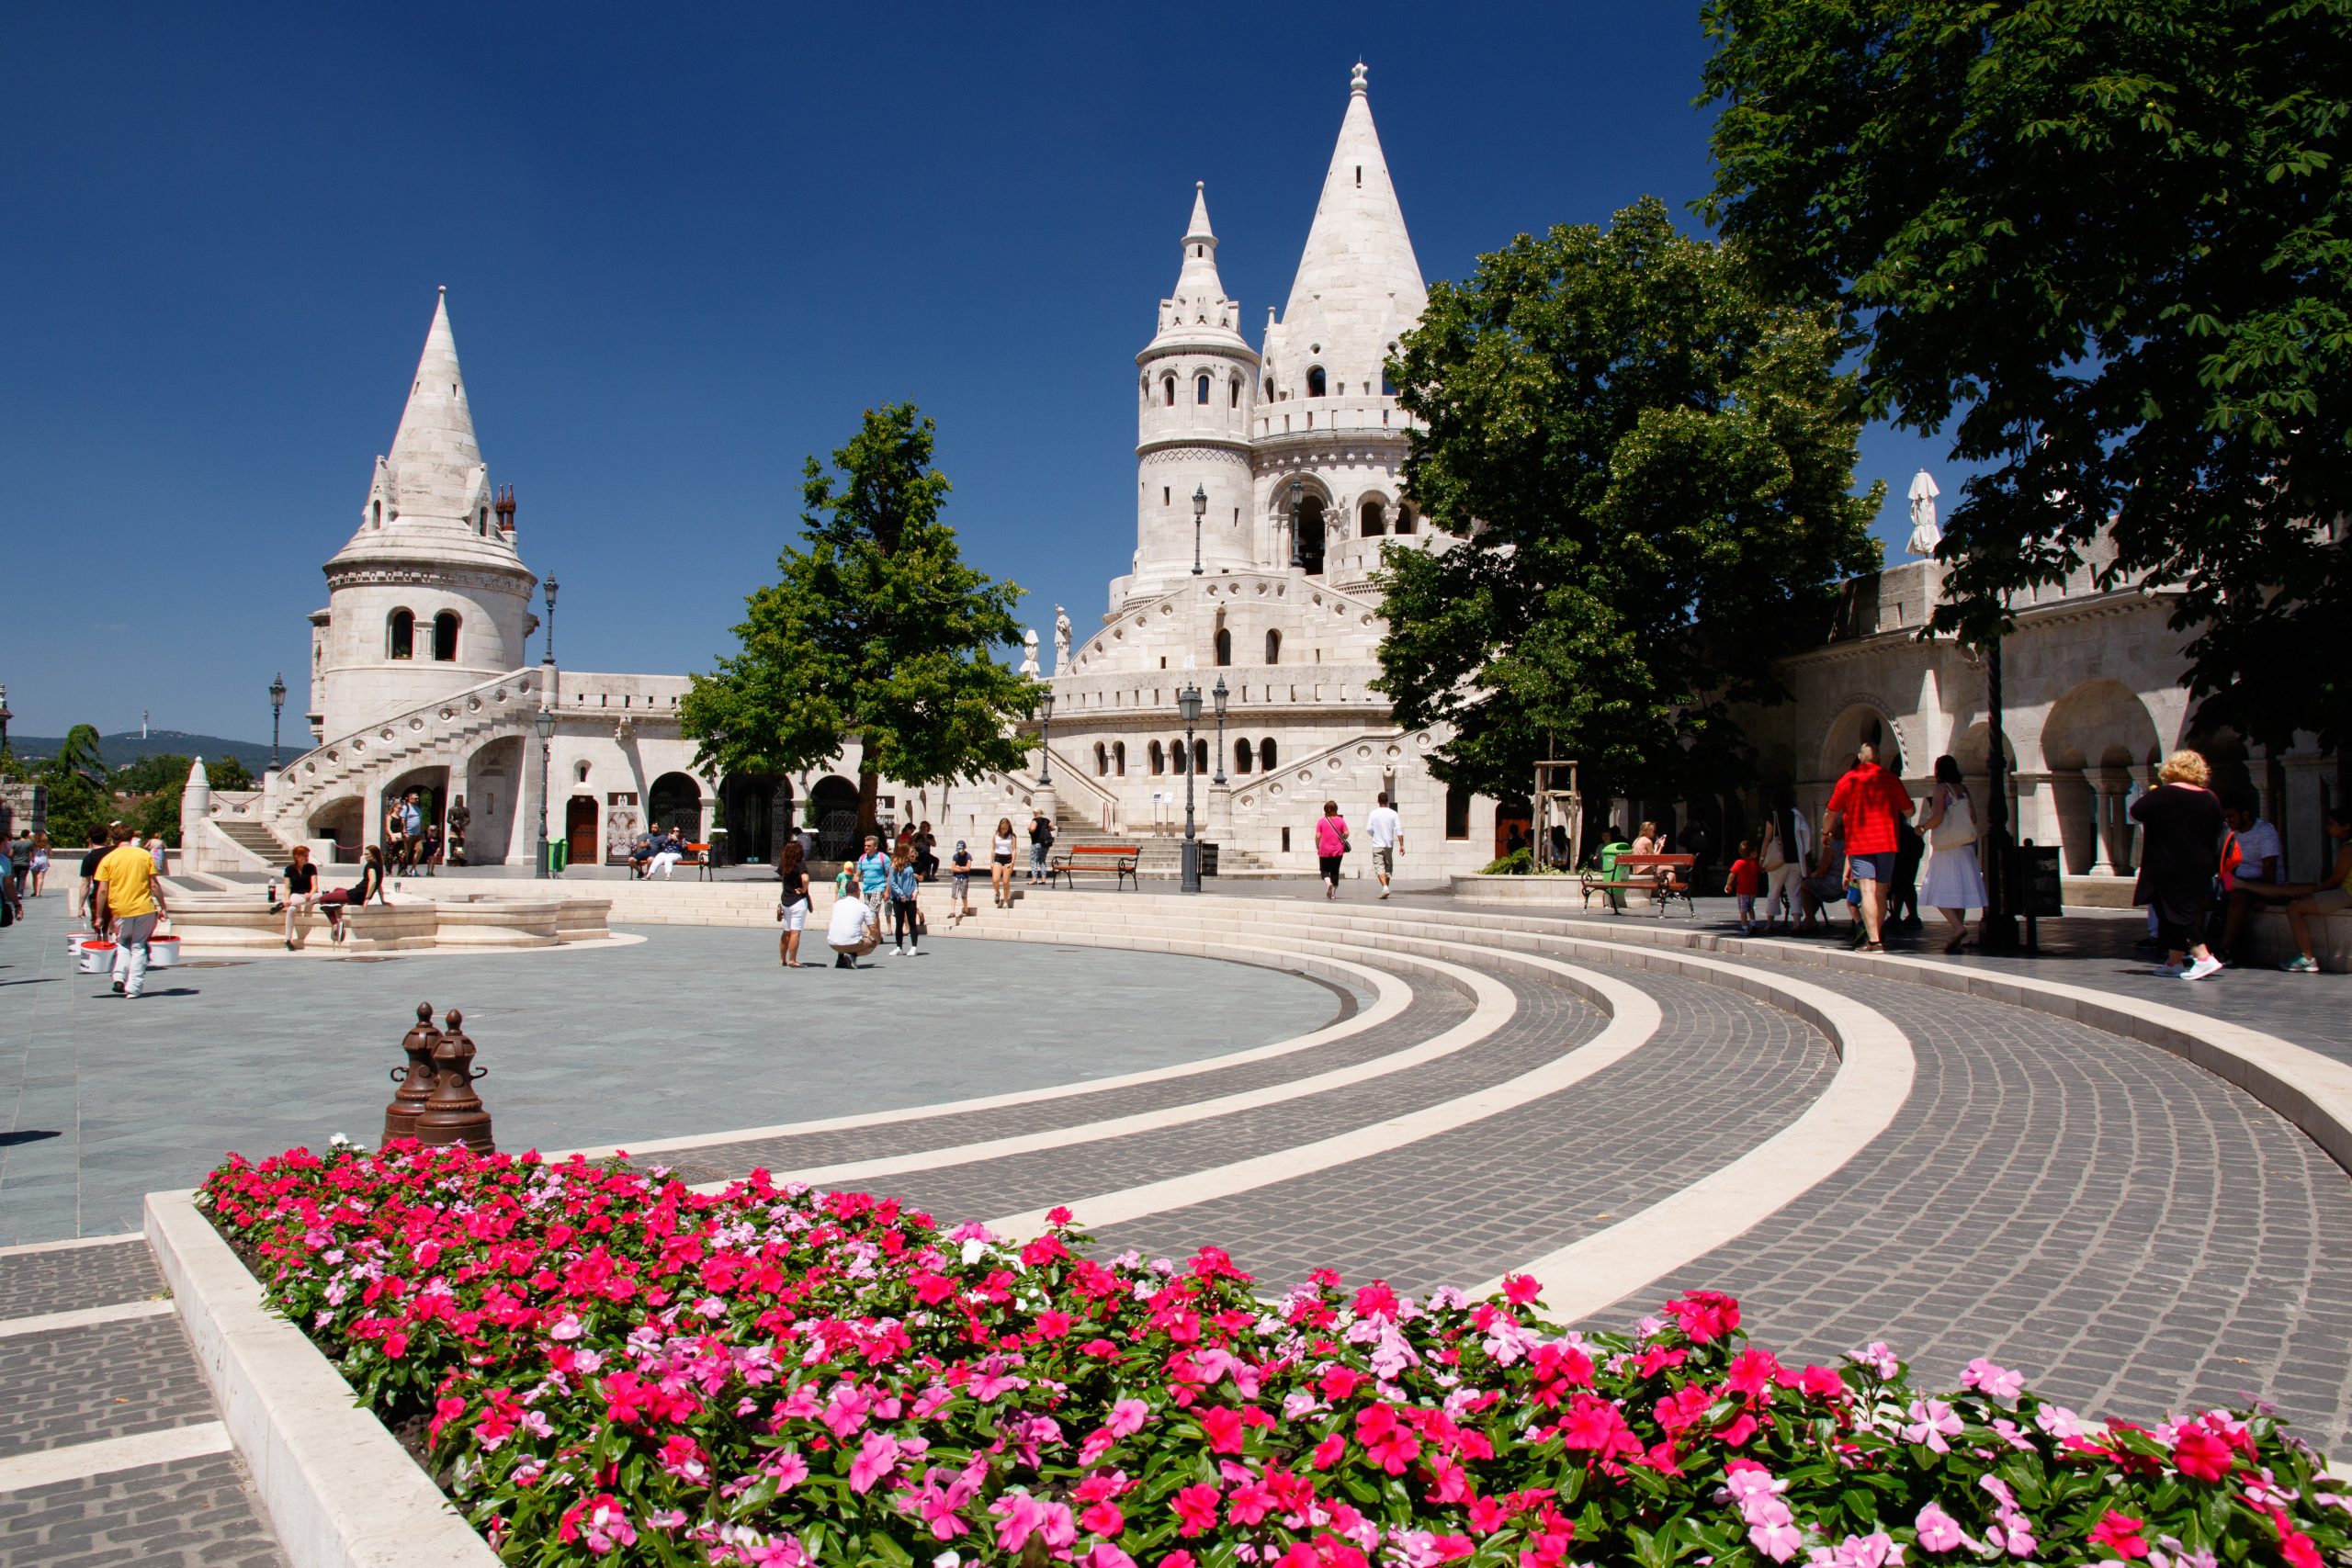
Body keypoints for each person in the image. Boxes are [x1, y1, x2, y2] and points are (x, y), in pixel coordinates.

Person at [2128, 749, 2225, 980]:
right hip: (2200, 864)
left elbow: (2136, 813)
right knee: (2173, 910)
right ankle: (2174, 961)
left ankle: (2203, 957)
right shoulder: (2210, 797)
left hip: (2168, 864)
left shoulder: (2162, 794)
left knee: (2176, 913)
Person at [1823, 743, 1913, 952]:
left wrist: (1825, 832)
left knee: (1867, 890)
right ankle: (1878, 936)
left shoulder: (1849, 779)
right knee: (1881, 891)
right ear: (1879, 758)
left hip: (1860, 844)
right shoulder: (1890, 779)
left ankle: (1874, 940)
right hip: (1887, 843)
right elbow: (1908, 811)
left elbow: (1830, 812)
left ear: (1860, 757)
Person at [1915, 755, 1989, 953]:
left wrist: (1922, 827)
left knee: (1935, 888)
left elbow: (1937, 817)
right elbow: (1973, 817)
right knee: (1960, 891)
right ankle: (1957, 932)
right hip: (1965, 846)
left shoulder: (1941, 789)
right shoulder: (1963, 789)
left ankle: (1957, 927)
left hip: (1947, 847)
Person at [92, 823, 168, 998]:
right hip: (144, 908)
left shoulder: (109, 859)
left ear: (114, 839)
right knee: (139, 946)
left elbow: (102, 890)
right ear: (131, 837)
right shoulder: (143, 855)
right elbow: (154, 885)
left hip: (120, 909)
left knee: (123, 943)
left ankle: (119, 976)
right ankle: (133, 987)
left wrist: (100, 917)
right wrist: (163, 907)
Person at [2273, 806, 2352, 974]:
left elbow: (2335, 880)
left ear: (2346, 826)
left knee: (2294, 908)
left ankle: (2306, 958)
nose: (2328, 828)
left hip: (2347, 894)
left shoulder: (2349, 848)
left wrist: (2313, 892)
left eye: (2332, 824)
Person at [2217, 790, 2285, 964]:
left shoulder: (2265, 831)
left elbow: (2269, 865)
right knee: (2203, 898)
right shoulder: (2232, 832)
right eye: (2226, 817)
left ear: (2245, 814)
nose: (2229, 821)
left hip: (2259, 882)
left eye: (2232, 816)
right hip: (2237, 880)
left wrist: (2266, 896)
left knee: (2237, 898)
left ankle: (2224, 950)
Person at [320, 843, 389, 944]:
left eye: (367, 854)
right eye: (364, 854)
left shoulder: (370, 865)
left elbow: (373, 881)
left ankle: (335, 925)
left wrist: (367, 899)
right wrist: (383, 900)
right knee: (337, 889)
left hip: (356, 895)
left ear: (374, 854)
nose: (365, 857)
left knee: (323, 899)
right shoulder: (379, 865)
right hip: (357, 894)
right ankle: (338, 905)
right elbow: (379, 884)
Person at [1758, 804, 1804, 933]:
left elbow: (1768, 838)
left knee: (1773, 891)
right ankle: (1797, 923)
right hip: (1795, 858)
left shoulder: (1773, 816)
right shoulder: (1796, 815)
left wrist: (1762, 859)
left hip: (1778, 860)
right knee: (1794, 893)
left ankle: (1770, 923)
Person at [1798, 822, 1849, 935]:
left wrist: (1811, 875)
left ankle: (1810, 918)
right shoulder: (1850, 844)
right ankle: (1810, 918)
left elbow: (1822, 869)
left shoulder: (1831, 846)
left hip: (1833, 883)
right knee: (1814, 886)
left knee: (1805, 885)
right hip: (1847, 883)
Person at [826, 881, 882, 968]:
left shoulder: (837, 904)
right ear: (858, 891)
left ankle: (840, 959)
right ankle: (853, 955)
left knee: (843, 929)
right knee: (872, 944)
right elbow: (872, 928)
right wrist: (878, 940)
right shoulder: (863, 907)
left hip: (833, 943)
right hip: (850, 943)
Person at [775, 839, 811, 967]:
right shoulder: (800, 864)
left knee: (786, 931)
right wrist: (803, 889)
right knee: (795, 931)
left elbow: (782, 877)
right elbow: (805, 878)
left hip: (785, 900)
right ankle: (792, 960)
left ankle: (782, 959)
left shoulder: (783, 864)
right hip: (798, 901)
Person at [279, 844, 322, 951]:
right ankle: (288, 940)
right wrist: (287, 899)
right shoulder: (289, 869)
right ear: (297, 857)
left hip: (310, 896)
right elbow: (287, 888)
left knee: (322, 894)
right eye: (305, 856)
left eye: (307, 856)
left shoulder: (311, 867)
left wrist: (310, 894)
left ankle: (282, 904)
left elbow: (315, 886)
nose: (307, 858)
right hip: (296, 896)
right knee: (292, 908)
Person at [1364, 791, 1404, 899]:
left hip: (1377, 843)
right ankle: (1385, 888)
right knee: (1388, 867)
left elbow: (1368, 829)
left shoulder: (1373, 813)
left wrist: (1375, 834)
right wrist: (1401, 845)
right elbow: (1399, 830)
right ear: (1387, 801)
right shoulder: (1393, 813)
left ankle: (1385, 887)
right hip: (1388, 844)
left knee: (1379, 867)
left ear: (1378, 801)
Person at [888, 846, 923, 956]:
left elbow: (913, 880)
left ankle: (914, 947)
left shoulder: (909, 866)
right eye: (909, 853)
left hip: (910, 898)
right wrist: (901, 894)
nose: (911, 855)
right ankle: (899, 947)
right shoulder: (894, 865)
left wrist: (916, 890)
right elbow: (892, 882)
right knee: (899, 923)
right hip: (899, 898)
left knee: (912, 922)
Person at [78, 829, 115, 936]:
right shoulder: (114, 853)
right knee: (117, 930)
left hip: (99, 897)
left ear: (90, 840)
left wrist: (81, 906)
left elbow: (85, 884)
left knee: (101, 931)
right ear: (106, 839)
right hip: (118, 894)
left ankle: (105, 949)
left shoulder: (89, 858)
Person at [1724, 840, 1762, 936]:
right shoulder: (1755, 863)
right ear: (1753, 853)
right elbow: (1761, 870)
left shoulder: (1739, 863)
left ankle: (1745, 927)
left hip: (1742, 891)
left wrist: (1728, 884)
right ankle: (1753, 924)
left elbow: (1732, 874)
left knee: (1743, 910)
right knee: (1751, 908)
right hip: (1753, 890)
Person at [1315, 799, 1349, 899]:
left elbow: (1317, 836)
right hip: (1338, 850)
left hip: (1324, 850)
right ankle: (1333, 894)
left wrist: (1318, 846)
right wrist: (1342, 838)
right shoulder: (1340, 820)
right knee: (1335, 871)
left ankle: (1328, 883)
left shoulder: (1321, 821)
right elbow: (1346, 833)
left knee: (1324, 870)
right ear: (1335, 809)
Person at [856, 835, 892, 927]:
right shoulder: (862, 858)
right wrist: (853, 889)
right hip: (867, 889)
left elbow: (890, 875)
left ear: (875, 847)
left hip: (879, 888)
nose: (866, 847)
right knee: (870, 914)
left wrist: (887, 890)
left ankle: (870, 936)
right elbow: (857, 874)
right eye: (865, 846)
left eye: (869, 846)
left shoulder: (883, 857)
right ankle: (878, 936)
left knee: (872, 912)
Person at [990, 817, 1017, 908]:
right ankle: (997, 892)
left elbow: (1014, 850)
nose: (1004, 830)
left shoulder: (1012, 836)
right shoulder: (996, 835)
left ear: (1008, 828)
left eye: (1005, 829)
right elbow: (993, 849)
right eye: (1002, 828)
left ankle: (1005, 901)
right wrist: (991, 862)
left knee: (1006, 882)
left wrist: (1012, 862)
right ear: (999, 827)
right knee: (995, 880)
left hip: (1008, 858)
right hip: (998, 857)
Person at [949, 840, 975, 924]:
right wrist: (962, 869)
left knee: (964, 895)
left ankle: (965, 910)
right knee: (954, 894)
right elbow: (953, 868)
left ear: (964, 848)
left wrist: (959, 867)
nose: (960, 851)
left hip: (964, 878)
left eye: (961, 849)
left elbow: (968, 868)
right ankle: (952, 911)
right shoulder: (955, 856)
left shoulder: (968, 856)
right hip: (956, 877)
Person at [1027, 810, 1055, 886]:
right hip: (1045, 844)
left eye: (1034, 812)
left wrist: (1029, 828)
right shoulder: (1046, 820)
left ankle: (1034, 879)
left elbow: (1032, 829)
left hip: (1036, 843)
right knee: (1042, 861)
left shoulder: (1035, 820)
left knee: (1033, 860)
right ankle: (1043, 879)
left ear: (1036, 813)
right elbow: (1053, 828)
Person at [446, 795, 470, 866]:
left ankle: (459, 855)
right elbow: (449, 819)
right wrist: (455, 823)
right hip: (454, 827)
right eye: (458, 799)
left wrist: (464, 824)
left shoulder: (465, 810)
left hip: (461, 826)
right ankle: (452, 855)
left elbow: (468, 819)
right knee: (453, 840)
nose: (459, 801)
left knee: (460, 841)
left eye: (461, 799)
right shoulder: (452, 809)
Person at [29, 833, 50, 898]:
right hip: (43, 860)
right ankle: (38, 893)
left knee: (35, 877)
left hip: (35, 859)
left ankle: (35, 891)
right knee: (41, 878)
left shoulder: (33, 845)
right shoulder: (47, 845)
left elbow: (30, 854)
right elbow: (50, 854)